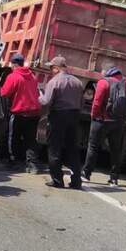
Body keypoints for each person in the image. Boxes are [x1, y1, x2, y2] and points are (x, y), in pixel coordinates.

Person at [38, 56, 83, 189]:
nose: (51, 70)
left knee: (54, 148)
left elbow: (46, 102)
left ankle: (57, 179)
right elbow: (81, 103)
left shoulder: (54, 82)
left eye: (52, 68)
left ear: (56, 68)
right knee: (73, 149)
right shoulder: (78, 82)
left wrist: (40, 96)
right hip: (74, 116)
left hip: (58, 116)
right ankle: (76, 181)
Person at [82, 66, 126, 186]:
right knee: (116, 150)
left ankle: (86, 174)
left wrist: (94, 115)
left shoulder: (103, 82)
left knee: (93, 147)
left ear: (107, 74)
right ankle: (114, 178)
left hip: (102, 120)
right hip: (119, 122)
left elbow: (97, 102)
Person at [0, 53, 43, 173]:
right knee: (31, 139)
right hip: (34, 113)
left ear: (13, 65)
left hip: (19, 113)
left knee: (13, 138)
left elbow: (4, 93)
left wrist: (0, 90)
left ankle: (15, 162)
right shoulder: (32, 76)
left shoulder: (13, 76)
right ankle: (32, 165)